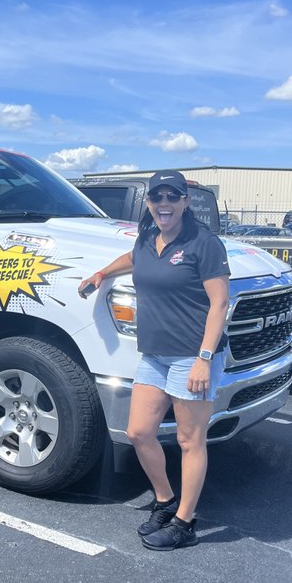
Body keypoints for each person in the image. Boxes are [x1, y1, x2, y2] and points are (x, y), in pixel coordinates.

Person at [78, 170, 230, 551]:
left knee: (189, 439)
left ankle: (185, 522)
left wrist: (204, 359)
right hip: (156, 355)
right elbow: (130, 258)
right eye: (157, 198)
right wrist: (100, 274)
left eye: (172, 197)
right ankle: (165, 501)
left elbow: (220, 304)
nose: (164, 204)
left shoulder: (204, 244)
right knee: (139, 433)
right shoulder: (147, 239)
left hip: (193, 356)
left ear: (184, 202)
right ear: (149, 203)